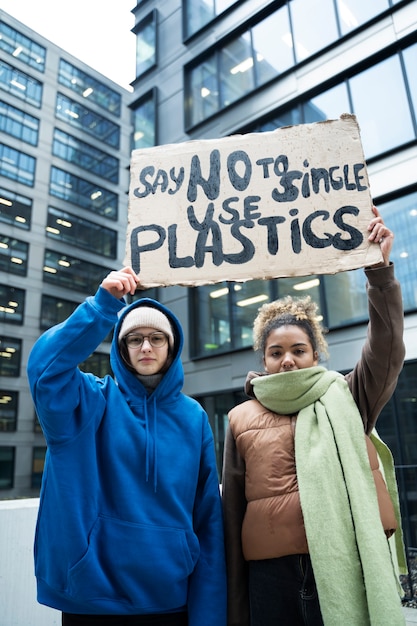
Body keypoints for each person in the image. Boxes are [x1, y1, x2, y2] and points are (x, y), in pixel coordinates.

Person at [221, 206, 407, 626]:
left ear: (316, 353)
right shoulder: (239, 417)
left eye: (298, 350)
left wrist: (380, 273)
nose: (287, 360)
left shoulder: (347, 394)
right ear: (263, 360)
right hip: (270, 577)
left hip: (346, 561)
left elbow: (388, 349)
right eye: (276, 352)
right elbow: (231, 511)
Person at [27, 267, 227, 626]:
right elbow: (44, 369)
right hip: (92, 600)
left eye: (156, 338)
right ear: (122, 348)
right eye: (134, 339)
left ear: (172, 346)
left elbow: (208, 517)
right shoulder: (88, 401)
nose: (146, 346)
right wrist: (101, 305)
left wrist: (209, 615)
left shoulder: (193, 417)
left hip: (171, 601)